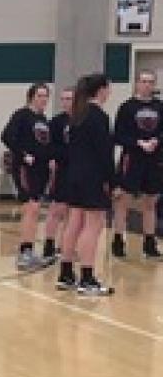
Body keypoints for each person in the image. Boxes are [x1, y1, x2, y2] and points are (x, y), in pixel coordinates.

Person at [56, 73, 116, 296]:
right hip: (92, 178)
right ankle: (87, 278)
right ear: (101, 90)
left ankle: (66, 273)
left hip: (74, 176)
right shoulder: (98, 116)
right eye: (108, 88)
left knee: (74, 223)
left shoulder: (77, 115)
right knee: (93, 226)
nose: (109, 93)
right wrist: (112, 180)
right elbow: (104, 152)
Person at [109, 69, 163, 259]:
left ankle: (149, 243)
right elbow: (118, 135)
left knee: (151, 201)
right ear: (137, 83)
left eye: (150, 81)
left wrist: (156, 141)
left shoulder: (160, 106)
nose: (147, 85)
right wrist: (138, 143)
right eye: (144, 81)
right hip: (131, 159)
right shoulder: (127, 107)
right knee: (123, 200)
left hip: (154, 160)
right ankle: (118, 240)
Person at [1, 83, 55, 270]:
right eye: (40, 95)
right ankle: (25, 252)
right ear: (31, 96)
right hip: (25, 168)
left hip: (41, 169)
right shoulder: (22, 115)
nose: (43, 99)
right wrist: (23, 155)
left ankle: (29, 250)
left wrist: (50, 159)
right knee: (30, 208)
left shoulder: (43, 119)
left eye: (46, 96)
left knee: (35, 209)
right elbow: (7, 136)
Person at [42, 87, 75, 261]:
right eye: (63, 99)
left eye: (69, 98)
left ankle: (65, 246)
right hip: (62, 168)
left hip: (78, 170)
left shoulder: (83, 120)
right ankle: (49, 244)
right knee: (56, 208)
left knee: (72, 210)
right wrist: (55, 159)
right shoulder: (56, 122)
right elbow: (50, 146)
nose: (65, 102)